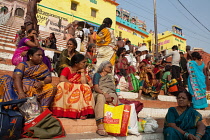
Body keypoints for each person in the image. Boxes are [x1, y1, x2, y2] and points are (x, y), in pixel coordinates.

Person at [52, 54, 95, 119]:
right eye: (83, 62)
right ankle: (61, 111)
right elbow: (62, 79)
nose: (85, 64)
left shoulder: (83, 72)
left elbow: (84, 83)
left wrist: (83, 73)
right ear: (76, 63)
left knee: (86, 87)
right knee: (62, 85)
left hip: (80, 90)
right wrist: (74, 86)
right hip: (69, 90)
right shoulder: (67, 69)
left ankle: (83, 112)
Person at [93, 61, 120, 136]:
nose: (111, 68)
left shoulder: (110, 78)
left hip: (109, 93)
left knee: (115, 97)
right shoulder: (97, 75)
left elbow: (112, 89)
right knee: (101, 97)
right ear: (103, 68)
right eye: (109, 67)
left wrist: (111, 95)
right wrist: (104, 93)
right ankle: (100, 124)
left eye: (111, 67)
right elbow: (96, 87)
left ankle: (114, 124)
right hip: (99, 93)